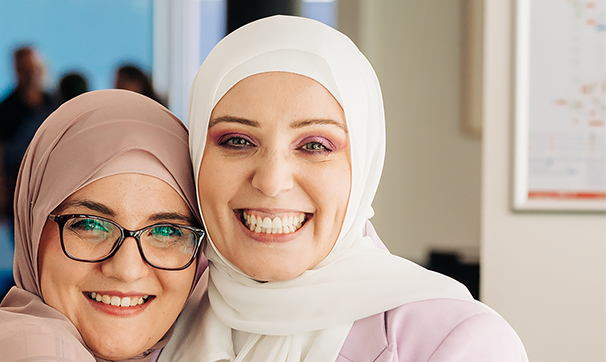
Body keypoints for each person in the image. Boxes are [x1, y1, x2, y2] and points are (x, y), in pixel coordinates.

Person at [160, 16, 528, 362]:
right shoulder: (157, 316)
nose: (271, 182)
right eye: (238, 140)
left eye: (315, 145)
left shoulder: (455, 342)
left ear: (364, 164)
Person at [0, 89, 207, 362]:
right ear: (32, 229)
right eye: (89, 224)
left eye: (167, 231)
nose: (126, 269)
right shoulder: (31, 350)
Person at [0, 46, 54, 226]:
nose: (30, 73)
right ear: (16, 69)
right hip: (16, 191)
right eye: (24, 68)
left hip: (50, 189)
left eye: (32, 67)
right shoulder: (3, 109)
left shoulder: (53, 103)